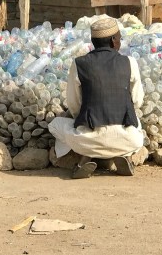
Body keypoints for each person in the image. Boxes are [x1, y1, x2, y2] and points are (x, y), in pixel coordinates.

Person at [48, 17, 145, 179]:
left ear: (93, 41)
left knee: (55, 125)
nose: (120, 41)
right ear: (113, 40)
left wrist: (85, 118)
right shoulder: (130, 62)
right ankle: (124, 156)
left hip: (87, 140)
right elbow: (137, 101)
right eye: (119, 38)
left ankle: (84, 159)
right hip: (128, 140)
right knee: (137, 124)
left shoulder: (79, 64)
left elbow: (73, 104)